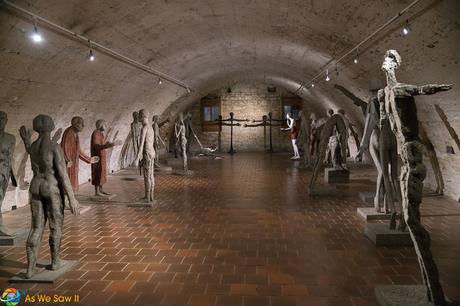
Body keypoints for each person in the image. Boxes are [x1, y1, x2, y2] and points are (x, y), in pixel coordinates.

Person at [19, 115, 79, 279]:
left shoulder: (34, 146)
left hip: (35, 186)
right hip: (50, 187)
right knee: (55, 225)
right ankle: (55, 261)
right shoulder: (53, 147)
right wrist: (72, 198)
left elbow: (29, 150)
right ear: (51, 126)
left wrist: (25, 140)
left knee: (36, 227)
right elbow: (63, 174)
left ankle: (30, 269)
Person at [61, 116, 99, 192]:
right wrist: (68, 160)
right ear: (76, 124)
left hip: (73, 162)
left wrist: (89, 159)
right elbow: (65, 148)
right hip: (69, 162)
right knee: (68, 180)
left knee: (73, 180)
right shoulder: (69, 133)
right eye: (82, 124)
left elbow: (78, 150)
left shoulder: (75, 134)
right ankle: (67, 199)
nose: (83, 126)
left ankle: (70, 198)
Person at [90, 120, 120, 196]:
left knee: (102, 173)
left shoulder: (101, 134)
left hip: (102, 156)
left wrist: (109, 144)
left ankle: (101, 190)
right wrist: (108, 145)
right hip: (97, 157)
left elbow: (102, 144)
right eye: (105, 125)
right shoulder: (96, 133)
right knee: (97, 173)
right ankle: (97, 192)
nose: (106, 127)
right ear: (100, 125)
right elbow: (96, 146)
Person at [133, 110, 155, 202]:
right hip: (152, 152)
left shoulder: (144, 128)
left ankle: (147, 197)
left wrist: (137, 158)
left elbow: (141, 145)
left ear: (143, 116)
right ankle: (151, 196)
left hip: (147, 153)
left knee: (147, 176)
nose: (138, 118)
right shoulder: (150, 127)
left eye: (139, 116)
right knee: (151, 175)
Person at [0, 111, 17, 212]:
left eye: (2, 119)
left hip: (5, 172)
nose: (0, 121)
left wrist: (12, 175)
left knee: (1, 196)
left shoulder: (11, 138)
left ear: (6, 121)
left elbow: (10, 156)